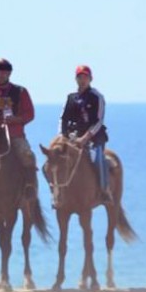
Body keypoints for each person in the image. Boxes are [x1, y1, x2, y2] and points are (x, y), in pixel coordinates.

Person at [0, 58, 38, 197]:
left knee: (28, 156)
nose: (0, 74)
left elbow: (30, 113)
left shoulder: (21, 91)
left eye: (4, 72)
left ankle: (30, 187)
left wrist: (16, 120)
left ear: (9, 73)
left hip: (15, 134)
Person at [59, 65, 111, 203]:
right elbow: (63, 118)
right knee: (55, 160)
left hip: (93, 138)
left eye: (85, 77)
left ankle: (104, 190)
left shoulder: (96, 97)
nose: (82, 80)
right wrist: (62, 136)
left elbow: (99, 121)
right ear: (76, 79)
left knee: (97, 159)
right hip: (73, 137)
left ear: (90, 79)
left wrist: (85, 138)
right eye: (80, 77)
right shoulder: (71, 97)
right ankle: (58, 193)